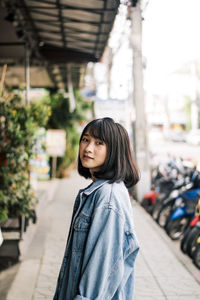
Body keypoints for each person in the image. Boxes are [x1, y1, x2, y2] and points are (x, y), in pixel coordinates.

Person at [53, 117, 140, 300]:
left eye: (99, 143)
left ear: (114, 151)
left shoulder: (108, 198)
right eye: (85, 139)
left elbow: (100, 270)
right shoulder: (100, 191)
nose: (88, 148)